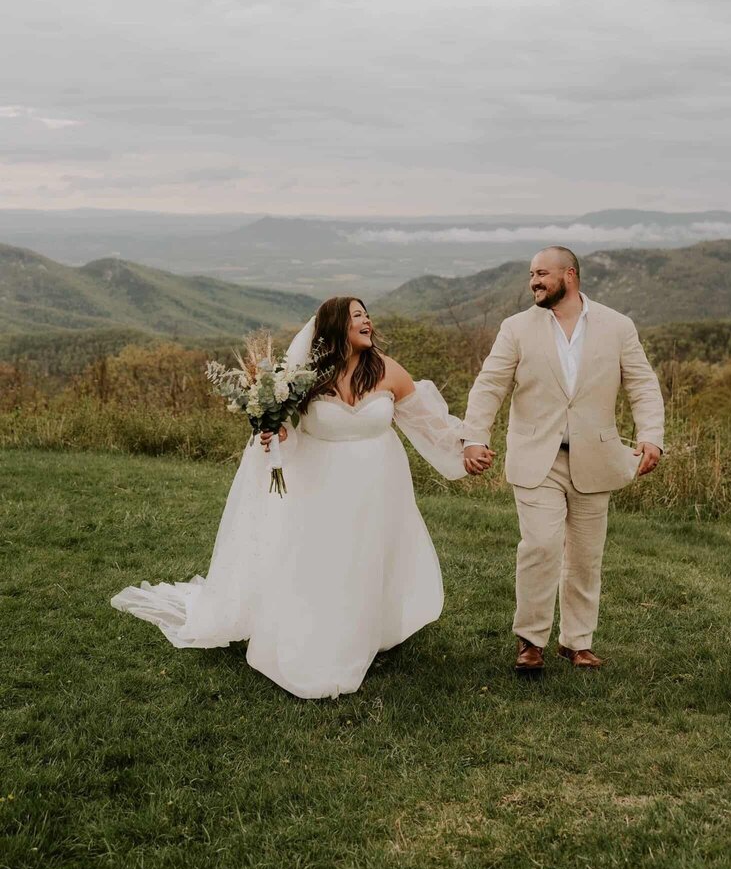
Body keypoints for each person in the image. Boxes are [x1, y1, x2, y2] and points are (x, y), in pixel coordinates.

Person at [111, 297, 466, 699]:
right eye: (356, 316)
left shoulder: (386, 370)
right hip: (322, 484)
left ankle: (369, 629)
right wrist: (277, 433)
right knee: (325, 561)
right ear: (335, 327)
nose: (367, 321)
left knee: (372, 557)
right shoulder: (304, 377)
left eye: (366, 315)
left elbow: (427, 421)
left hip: (381, 485)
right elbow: (287, 427)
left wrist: (464, 449)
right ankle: (321, 644)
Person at [462, 247, 664, 674]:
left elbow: (643, 384)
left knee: (586, 556)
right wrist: (473, 437)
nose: (534, 281)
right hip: (537, 457)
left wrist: (651, 438)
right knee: (539, 546)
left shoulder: (617, 325)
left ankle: (577, 643)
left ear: (569, 275)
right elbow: (490, 385)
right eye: (531, 274)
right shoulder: (515, 328)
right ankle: (530, 642)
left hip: (597, 457)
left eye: (542, 274)